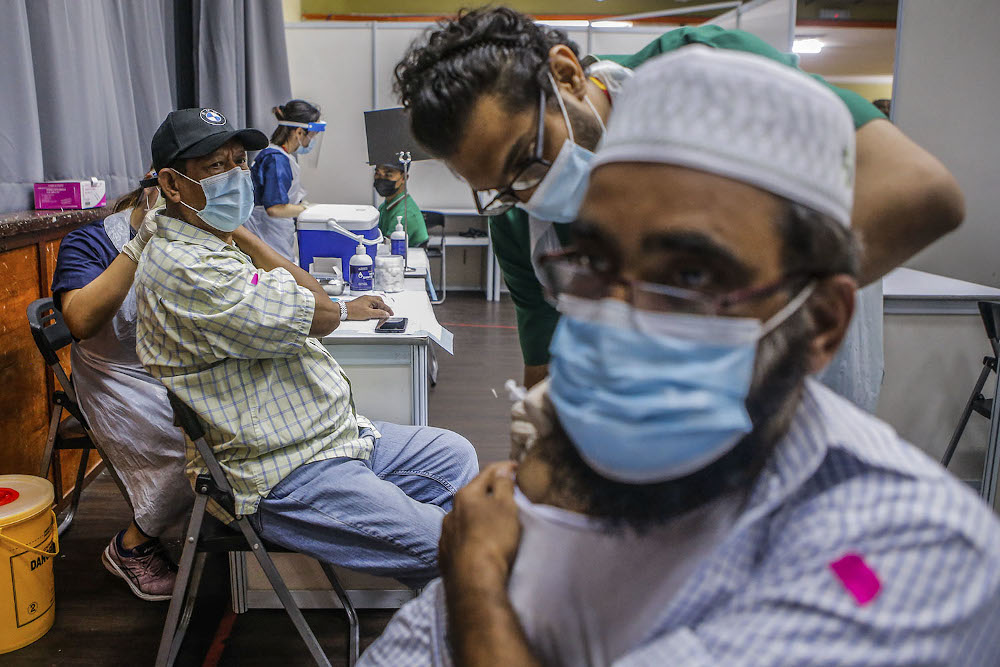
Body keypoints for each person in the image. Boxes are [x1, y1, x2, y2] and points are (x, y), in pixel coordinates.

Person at [361, 48, 1000, 666]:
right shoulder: (574, 477)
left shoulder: (901, 557)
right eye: (593, 262)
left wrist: (476, 575)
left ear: (822, 320)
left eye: (690, 276)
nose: (619, 321)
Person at [393, 7, 965, 411]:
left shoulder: (704, 72)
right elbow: (546, 362)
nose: (527, 193)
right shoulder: (518, 218)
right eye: (500, 188)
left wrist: (719, 338)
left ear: (565, 74)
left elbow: (920, 191)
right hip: (677, 433)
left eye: (527, 158)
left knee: (825, 540)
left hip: (801, 375)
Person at [133, 108, 479, 585]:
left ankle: (441, 581)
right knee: (452, 546)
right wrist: (245, 234)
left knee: (454, 456)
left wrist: (236, 234)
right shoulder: (189, 269)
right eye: (217, 166)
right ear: (172, 185)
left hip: (331, 437)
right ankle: (447, 575)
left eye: (239, 162)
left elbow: (310, 303)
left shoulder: (213, 244)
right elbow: (321, 309)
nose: (237, 176)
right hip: (281, 468)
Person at [50, 175, 191, 602]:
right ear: (161, 184)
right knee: (194, 450)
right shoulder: (90, 243)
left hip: (177, 366)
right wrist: (140, 245)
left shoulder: (197, 235)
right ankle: (132, 545)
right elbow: (80, 321)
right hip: (117, 375)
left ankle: (216, 531)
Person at [245, 99, 326, 262]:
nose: (312, 141)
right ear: (299, 132)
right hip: (268, 235)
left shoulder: (278, 156)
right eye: (312, 135)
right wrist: (307, 210)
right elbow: (275, 209)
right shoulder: (276, 160)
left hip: (274, 234)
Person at [375, 163, 429, 247]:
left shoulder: (405, 213)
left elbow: (388, 248)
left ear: (404, 178)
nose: (381, 179)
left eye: (388, 175)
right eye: (377, 173)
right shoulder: (385, 206)